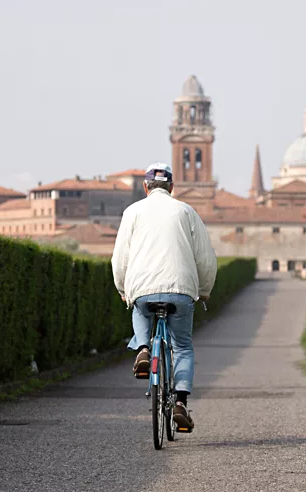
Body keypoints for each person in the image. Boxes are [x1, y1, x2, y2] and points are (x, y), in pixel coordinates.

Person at [111, 163, 217, 431]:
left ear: (146, 188)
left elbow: (120, 257)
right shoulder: (186, 211)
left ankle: (144, 350)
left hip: (142, 289)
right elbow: (205, 258)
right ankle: (180, 402)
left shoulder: (132, 212)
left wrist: (123, 289)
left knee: (139, 308)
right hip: (181, 290)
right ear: (172, 188)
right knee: (182, 346)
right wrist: (204, 290)